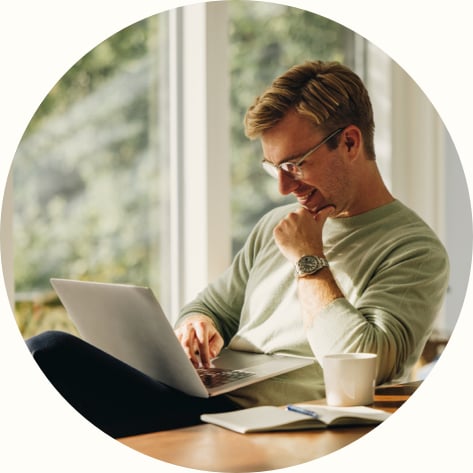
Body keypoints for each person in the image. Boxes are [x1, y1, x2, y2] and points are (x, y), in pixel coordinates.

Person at [26, 60, 449, 438]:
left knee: (49, 354)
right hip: (205, 398)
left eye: (294, 164)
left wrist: (309, 261)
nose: (283, 187)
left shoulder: (413, 249)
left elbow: (365, 364)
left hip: (272, 420)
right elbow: (212, 305)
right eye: (273, 168)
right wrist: (196, 324)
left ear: (351, 143)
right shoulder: (274, 227)